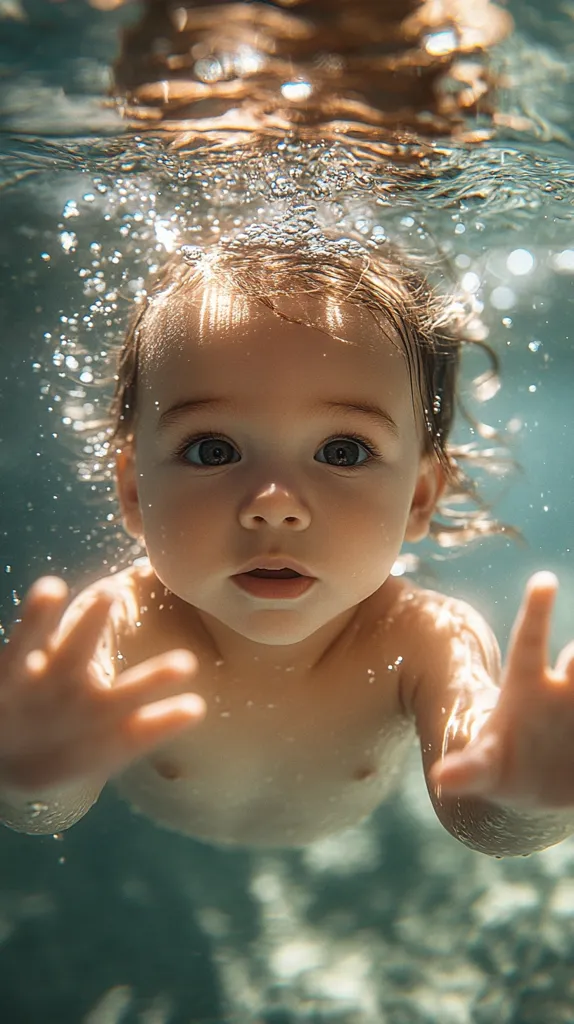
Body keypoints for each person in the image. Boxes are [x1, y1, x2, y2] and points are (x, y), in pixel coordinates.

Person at [1, 229, 573, 856]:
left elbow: (479, 810)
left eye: (343, 451)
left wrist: (527, 797)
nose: (274, 503)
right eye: (212, 450)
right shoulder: (120, 624)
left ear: (420, 498)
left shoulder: (427, 640)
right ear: (135, 491)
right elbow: (48, 806)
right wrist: (28, 778)